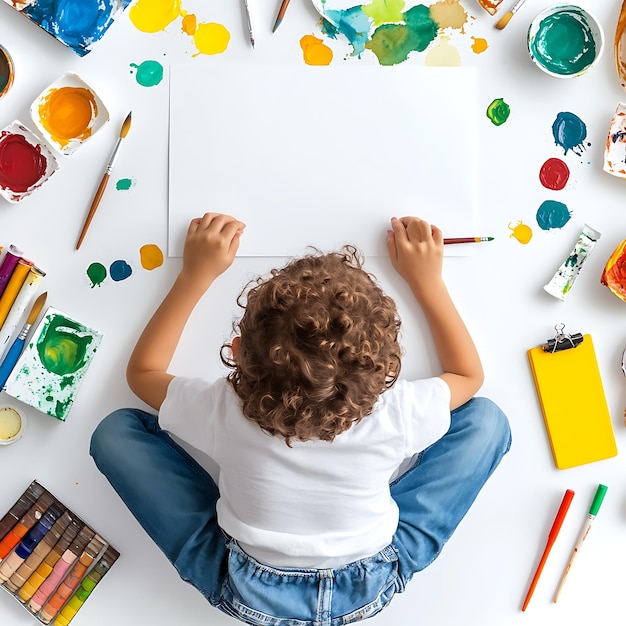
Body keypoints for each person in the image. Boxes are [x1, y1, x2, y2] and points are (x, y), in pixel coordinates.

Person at [90, 213, 511, 626]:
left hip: (250, 589)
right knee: (487, 421)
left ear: (237, 352)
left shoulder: (221, 408)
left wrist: (193, 276)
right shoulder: (397, 412)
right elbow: (468, 377)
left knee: (114, 433)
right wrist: (428, 281)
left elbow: (141, 374)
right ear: (383, 373)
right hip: (367, 586)